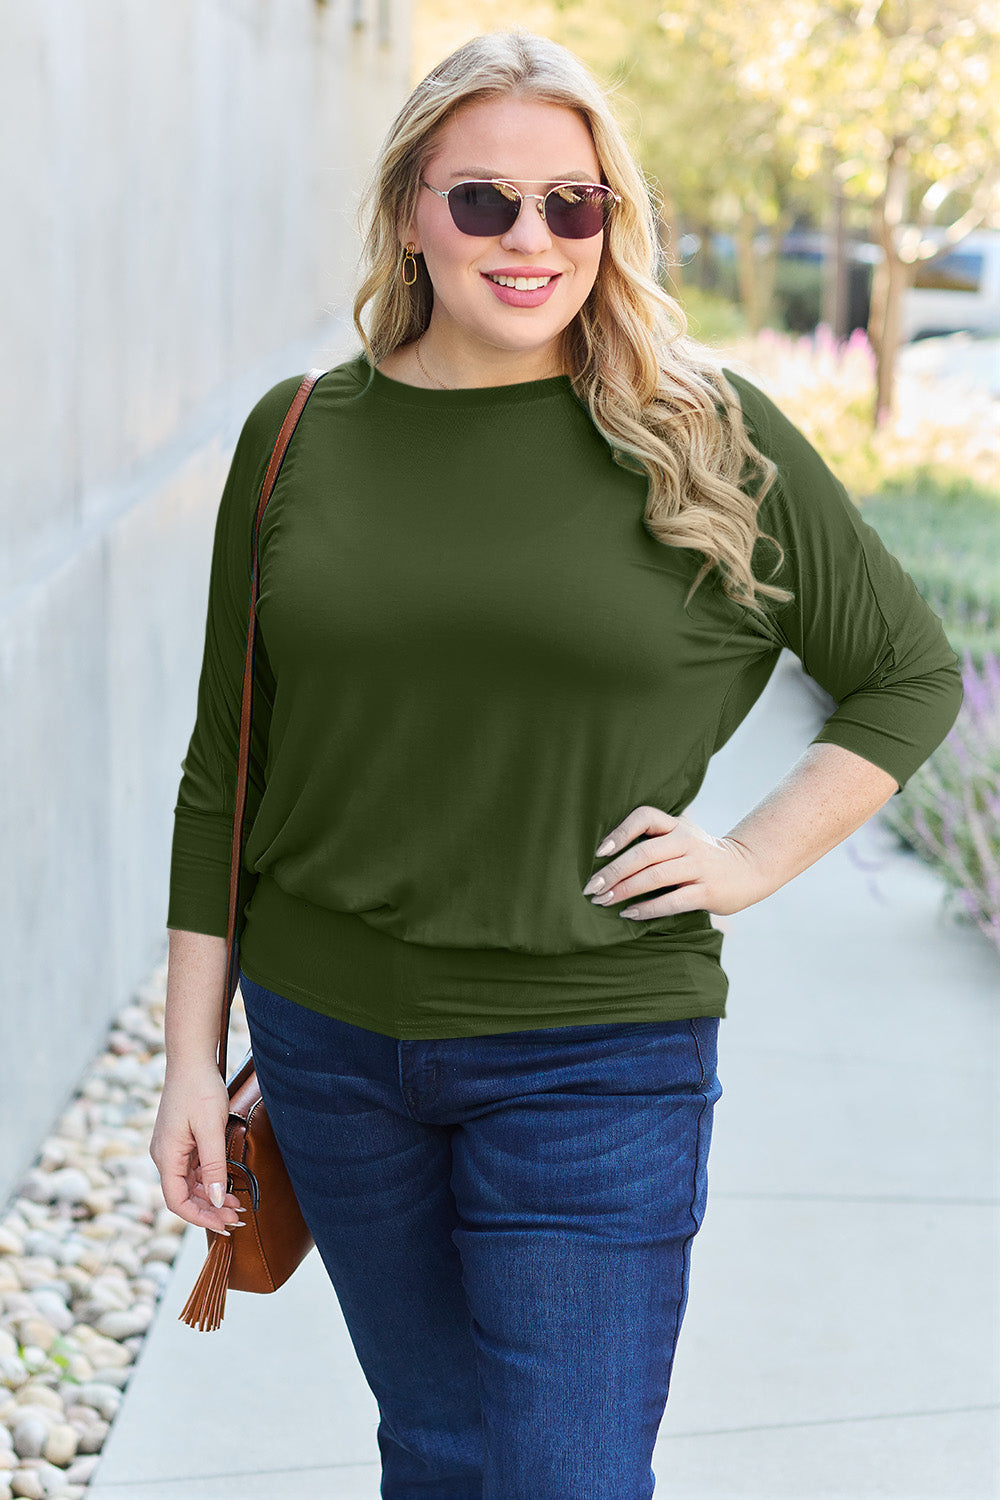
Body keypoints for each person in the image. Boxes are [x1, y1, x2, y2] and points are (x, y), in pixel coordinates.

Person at [150, 27, 963, 1500]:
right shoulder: (296, 438)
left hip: (596, 1054)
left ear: (611, 218)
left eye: (572, 205)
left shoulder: (707, 437)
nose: (532, 240)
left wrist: (755, 857)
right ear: (411, 208)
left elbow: (903, 674)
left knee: (568, 1478)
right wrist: (191, 1066)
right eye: (485, 203)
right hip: (332, 1051)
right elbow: (226, 765)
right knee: (443, 1448)